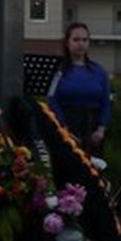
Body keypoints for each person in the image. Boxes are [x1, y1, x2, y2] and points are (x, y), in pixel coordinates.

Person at [49, 21, 112, 153]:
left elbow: (105, 102)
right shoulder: (58, 70)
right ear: (67, 43)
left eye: (84, 40)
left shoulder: (98, 71)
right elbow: (52, 100)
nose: (81, 44)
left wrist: (101, 129)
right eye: (76, 40)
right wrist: (64, 128)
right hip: (67, 126)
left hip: (92, 129)